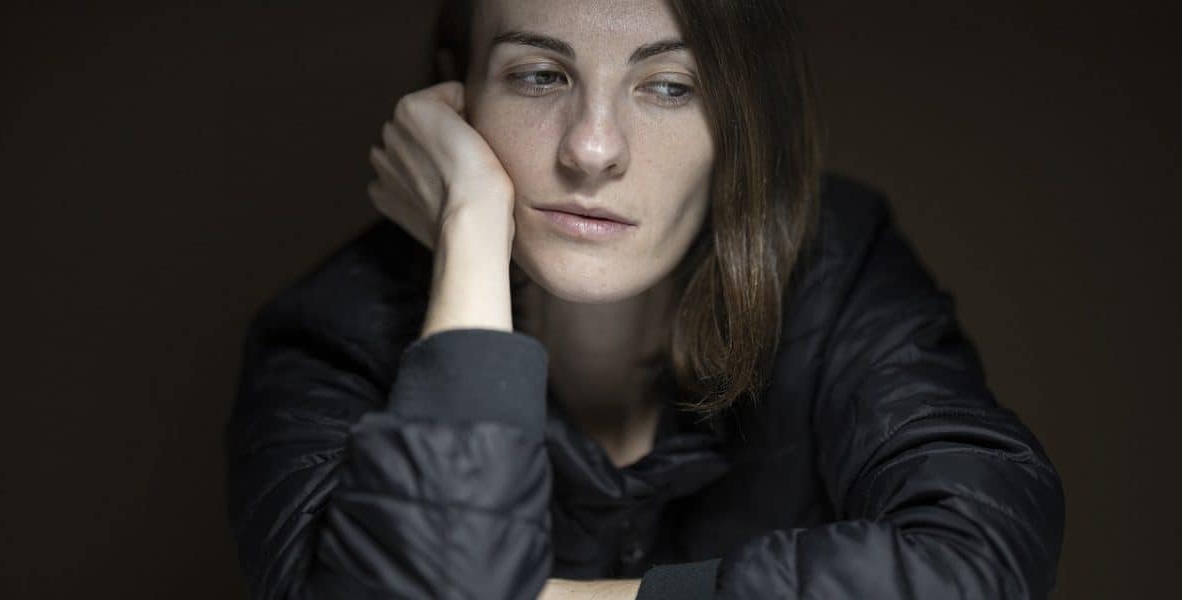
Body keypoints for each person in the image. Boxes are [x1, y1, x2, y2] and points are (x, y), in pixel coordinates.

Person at [223, 0, 1066, 598]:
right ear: (456, 99)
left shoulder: (836, 269)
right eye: (539, 75)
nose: (593, 149)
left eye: (670, 86)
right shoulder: (333, 336)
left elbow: (978, 560)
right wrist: (470, 226)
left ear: (744, 120)